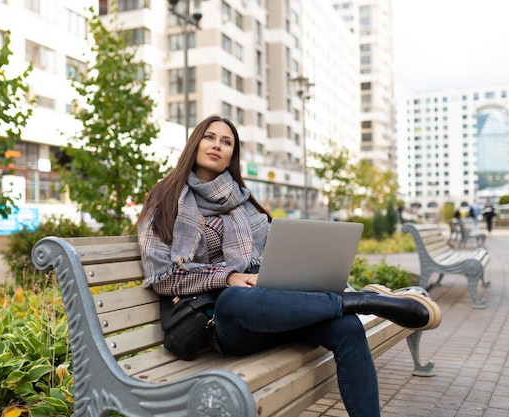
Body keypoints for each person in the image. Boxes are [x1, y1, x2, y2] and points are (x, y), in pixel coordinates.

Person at [136, 115, 441, 417]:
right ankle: (363, 301)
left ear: (232, 156)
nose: (217, 145)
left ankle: (354, 304)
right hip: (223, 322)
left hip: (278, 309)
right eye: (210, 137)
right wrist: (228, 277)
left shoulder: (245, 203)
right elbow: (162, 276)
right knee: (235, 298)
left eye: (226, 142)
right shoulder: (165, 199)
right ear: (195, 143)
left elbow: (277, 256)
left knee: (348, 329)